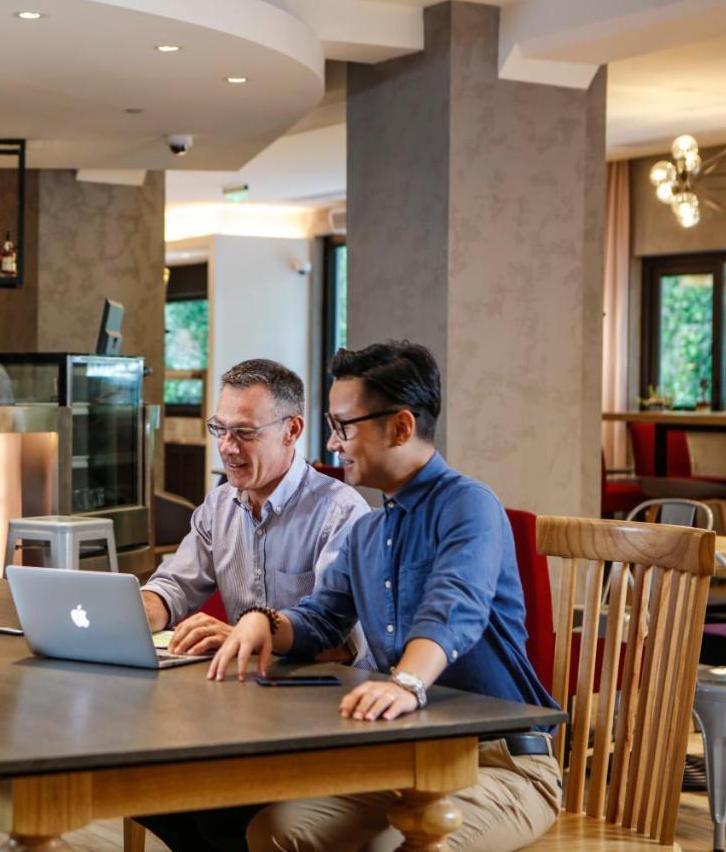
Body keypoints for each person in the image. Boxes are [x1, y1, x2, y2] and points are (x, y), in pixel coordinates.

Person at [195, 341, 560, 852]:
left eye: (344, 426)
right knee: (274, 831)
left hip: (500, 764)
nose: (333, 442)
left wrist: (407, 681)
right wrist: (261, 622)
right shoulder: (369, 532)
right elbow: (320, 620)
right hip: (403, 757)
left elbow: (455, 606)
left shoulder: (469, 506)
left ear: (401, 427)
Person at [140, 359, 369, 659]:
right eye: (220, 429)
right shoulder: (218, 506)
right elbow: (174, 587)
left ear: (292, 430)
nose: (226, 447)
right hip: (247, 686)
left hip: (327, 693)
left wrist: (244, 637)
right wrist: (141, 611)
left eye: (244, 433)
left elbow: (343, 646)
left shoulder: (341, 514)